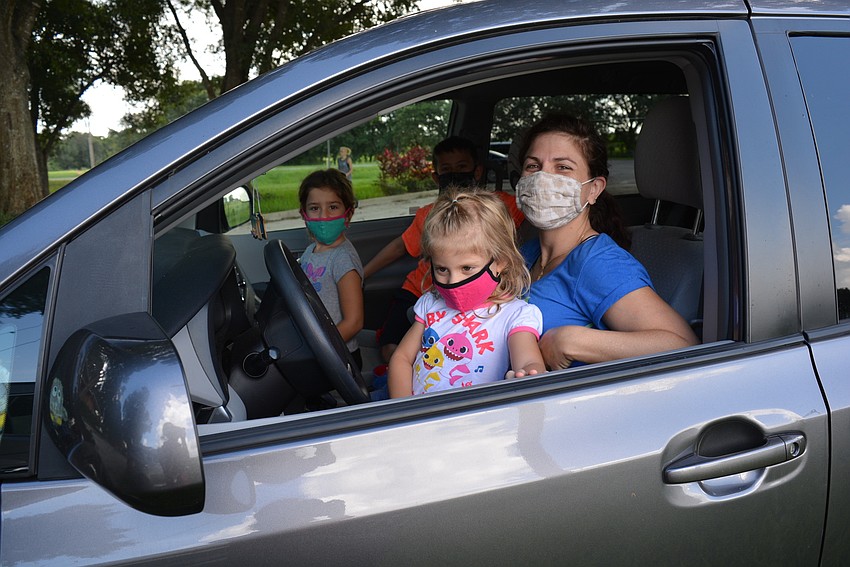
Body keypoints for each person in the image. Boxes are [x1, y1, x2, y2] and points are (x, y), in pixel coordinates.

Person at [515, 113, 699, 369]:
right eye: (533, 166)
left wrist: (571, 340)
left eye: (563, 167)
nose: (542, 178)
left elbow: (682, 346)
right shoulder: (527, 252)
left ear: (594, 189)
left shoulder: (597, 262)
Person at [363, 136, 525, 363]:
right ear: (436, 176)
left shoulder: (499, 205)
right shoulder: (429, 214)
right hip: (419, 291)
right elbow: (399, 247)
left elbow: (534, 217)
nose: (455, 174)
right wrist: (362, 274)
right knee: (390, 348)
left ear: (477, 172)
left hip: (476, 291)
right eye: (447, 169)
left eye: (462, 167)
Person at [388, 189, 545, 398]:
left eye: (467, 268)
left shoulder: (516, 315)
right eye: (442, 269)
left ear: (500, 262)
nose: (453, 282)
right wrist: (403, 412)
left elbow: (527, 360)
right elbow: (402, 358)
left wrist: (528, 373)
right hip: (420, 420)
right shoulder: (430, 303)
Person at [298, 169, 365, 369]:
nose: (324, 216)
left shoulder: (342, 259)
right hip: (318, 345)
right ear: (304, 213)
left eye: (333, 207)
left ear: (348, 213)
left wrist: (318, 347)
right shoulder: (310, 251)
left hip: (340, 357)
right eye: (314, 208)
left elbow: (353, 322)